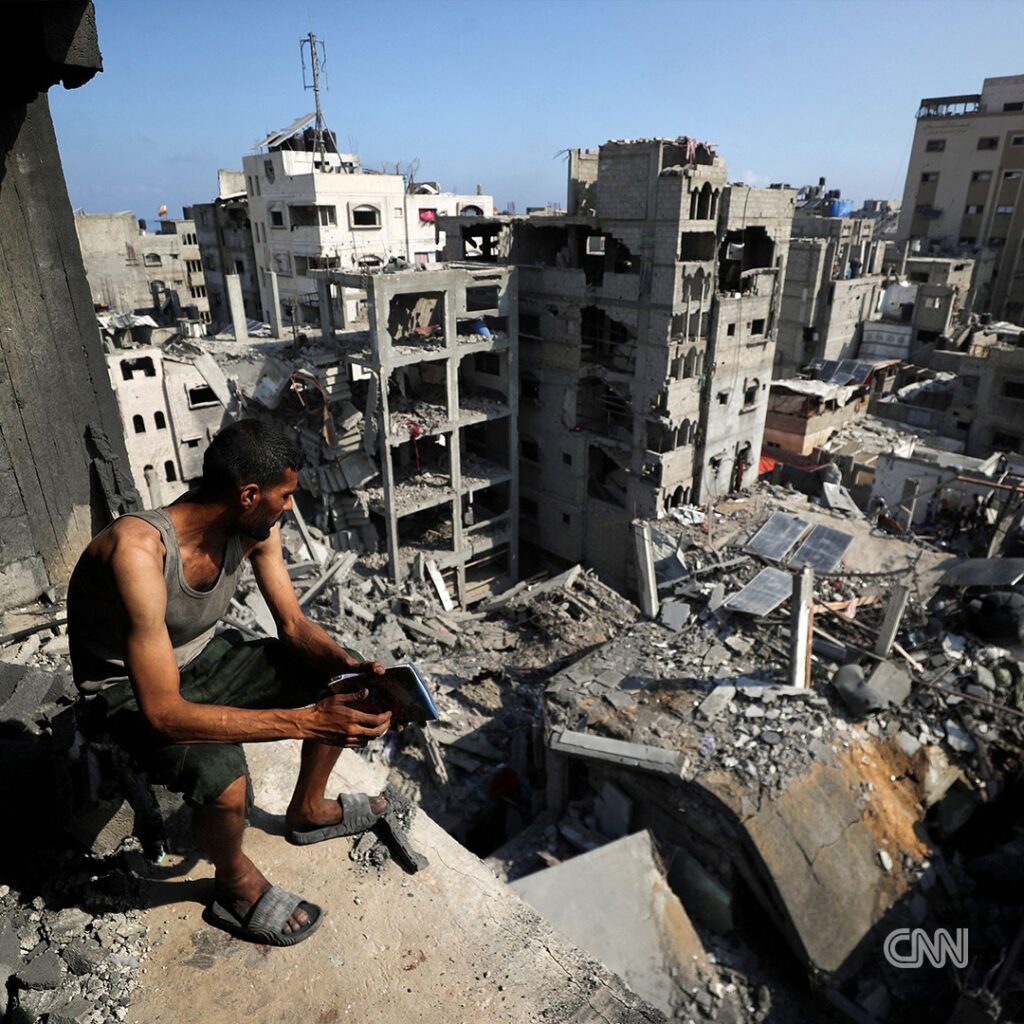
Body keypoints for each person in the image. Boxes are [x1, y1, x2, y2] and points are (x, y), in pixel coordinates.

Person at [68, 420, 393, 947]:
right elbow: (161, 713)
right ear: (248, 494)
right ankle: (233, 882)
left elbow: (292, 624)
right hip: (126, 693)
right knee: (225, 779)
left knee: (340, 677)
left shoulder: (254, 527)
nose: (289, 507)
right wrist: (306, 721)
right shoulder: (138, 551)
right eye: (284, 496)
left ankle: (307, 812)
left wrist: (349, 667)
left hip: (204, 663)